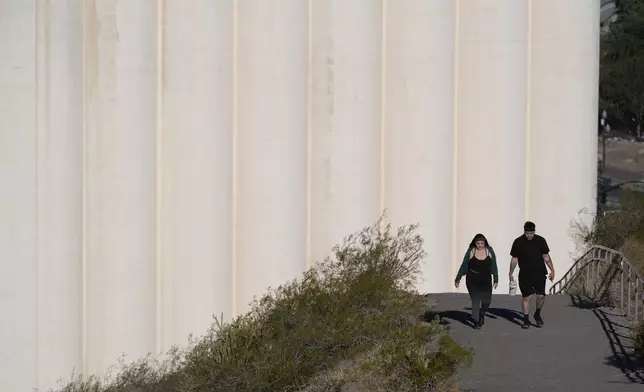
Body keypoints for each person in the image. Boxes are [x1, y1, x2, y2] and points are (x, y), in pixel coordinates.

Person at [509, 221, 556, 329]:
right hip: (525, 273)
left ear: (534, 231)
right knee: (527, 297)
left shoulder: (540, 241)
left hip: (539, 272)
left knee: (541, 296)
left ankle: (537, 314)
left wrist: (552, 270)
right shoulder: (518, 242)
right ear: (524, 231)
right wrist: (510, 273)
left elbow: (546, 256)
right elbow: (514, 259)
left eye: (531, 233)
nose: (529, 235)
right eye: (527, 233)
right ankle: (526, 320)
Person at [454, 233, 499, 329]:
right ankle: (476, 321)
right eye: (478, 243)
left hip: (486, 279)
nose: (480, 245)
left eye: (482, 243)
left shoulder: (489, 251)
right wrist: (458, 278)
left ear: (485, 243)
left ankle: (482, 315)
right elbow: (464, 264)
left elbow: (494, 265)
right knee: (475, 301)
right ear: (475, 243)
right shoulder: (471, 251)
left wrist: (496, 278)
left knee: (486, 301)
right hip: (472, 279)